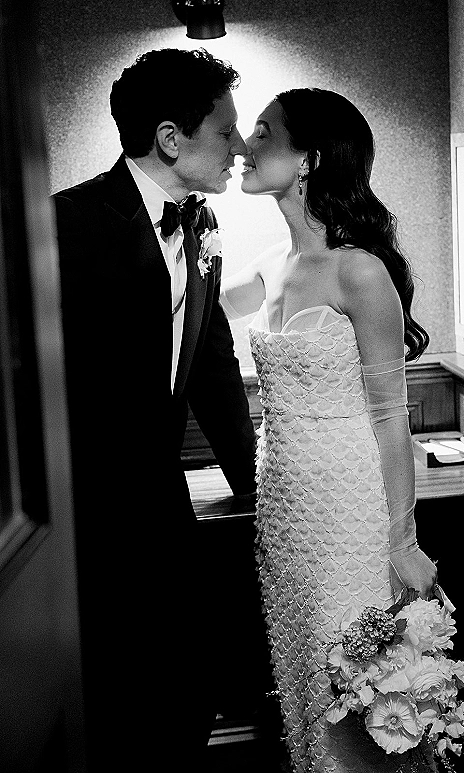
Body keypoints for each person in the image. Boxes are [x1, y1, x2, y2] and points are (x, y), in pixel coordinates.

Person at [220, 88, 438, 771]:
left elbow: (389, 416)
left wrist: (401, 539)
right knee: (308, 694)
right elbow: (176, 313)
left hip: (350, 515)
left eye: (261, 134)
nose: (244, 149)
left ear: (309, 159)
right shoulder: (268, 266)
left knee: (361, 695)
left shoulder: (360, 271)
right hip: (283, 517)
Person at [52, 49, 256, 771]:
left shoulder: (202, 230)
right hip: (83, 527)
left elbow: (213, 369)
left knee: (188, 699)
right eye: (225, 132)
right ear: (172, 137)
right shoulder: (66, 225)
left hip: (165, 514)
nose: (239, 148)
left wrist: (261, 487)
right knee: (111, 718)